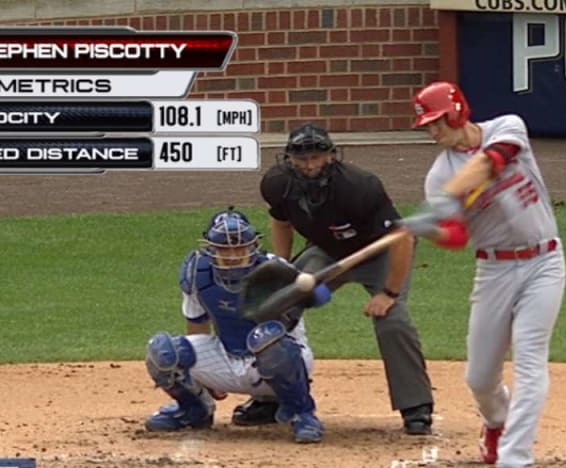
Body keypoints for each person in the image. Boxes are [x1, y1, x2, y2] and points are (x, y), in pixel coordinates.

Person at [399, 81, 566, 468]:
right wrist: (433, 227)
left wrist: (444, 199)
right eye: (428, 126)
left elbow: (490, 163)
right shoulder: (439, 175)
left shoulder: (507, 127)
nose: (433, 133)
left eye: (437, 122)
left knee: (530, 362)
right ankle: (497, 422)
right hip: (494, 271)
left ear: (457, 111)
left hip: (544, 263)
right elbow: (457, 239)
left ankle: (515, 464)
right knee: (479, 377)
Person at [244, 123, 436, 436]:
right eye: (302, 158)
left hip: (381, 253)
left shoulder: (359, 186)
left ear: (331, 156)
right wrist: (283, 266)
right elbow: (281, 223)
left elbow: (401, 238)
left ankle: (416, 407)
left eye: (317, 157)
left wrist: (388, 292)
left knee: (393, 320)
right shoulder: (278, 184)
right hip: (329, 252)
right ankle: (270, 395)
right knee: (277, 305)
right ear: (289, 158)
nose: (309, 165)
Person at [143, 208, 331, 443]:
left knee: (266, 339)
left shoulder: (274, 270)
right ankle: (194, 411)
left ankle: (301, 413)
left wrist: (313, 290)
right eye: (225, 248)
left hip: (282, 361)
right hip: (227, 357)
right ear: (211, 249)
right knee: (162, 351)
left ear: (253, 247)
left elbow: (321, 297)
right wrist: (204, 379)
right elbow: (197, 323)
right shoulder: (197, 273)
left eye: (239, 247)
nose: (233, 254)